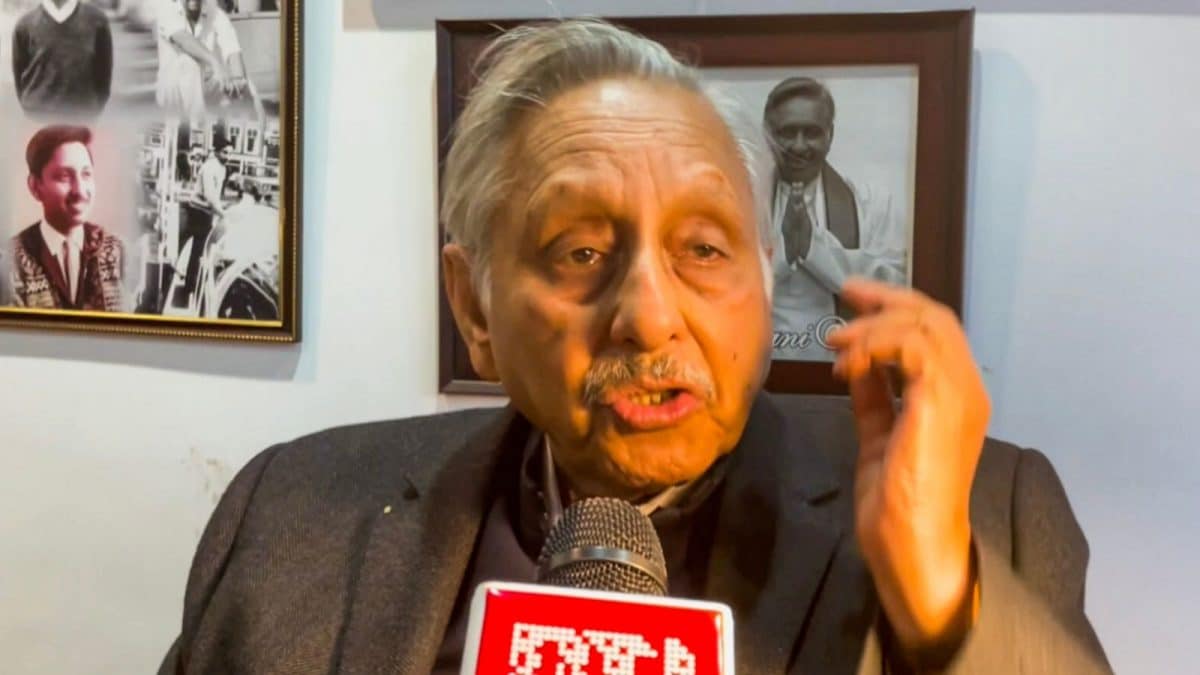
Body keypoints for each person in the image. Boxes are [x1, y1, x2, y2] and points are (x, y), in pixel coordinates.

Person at [159, 20, 1110, 674]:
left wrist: (944, 611)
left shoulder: (981, 514)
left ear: (764, 280)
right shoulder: (287, 513)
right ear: (473, 307)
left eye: (704, 249)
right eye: (580, 252)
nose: (650, 319)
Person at [764, 77, 908, 362]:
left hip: (840, 373)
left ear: (830, 135)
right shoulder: (740, 202)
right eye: (787, 132)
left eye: (812, 133)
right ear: (768, 135)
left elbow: (897, 290)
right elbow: (718, 284)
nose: (799, 145)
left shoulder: (869, 204)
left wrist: (816, 249)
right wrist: (782, 253)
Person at [8, 124, 127, 311]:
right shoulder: (9, 260)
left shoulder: (119, 251)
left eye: (86, 174)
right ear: (35, 186)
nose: (80, 191)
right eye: (64, 176)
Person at [10, 0, 113, 117]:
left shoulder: (97, 22)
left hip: (83, 115)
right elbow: (19, 73)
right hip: (37, 115)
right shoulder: (25, 25)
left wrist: (92, 110)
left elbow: (104, 74)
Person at [153, 0, 251, 122]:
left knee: (244, 83)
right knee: (190, 64)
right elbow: (184, 40)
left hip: (203, 86)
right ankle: (197, 127)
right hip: (173, 92)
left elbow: (232, 49)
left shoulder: (216, 13)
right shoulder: (167, 10)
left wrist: (238, 80)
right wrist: (215, 63)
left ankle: (251, 126)